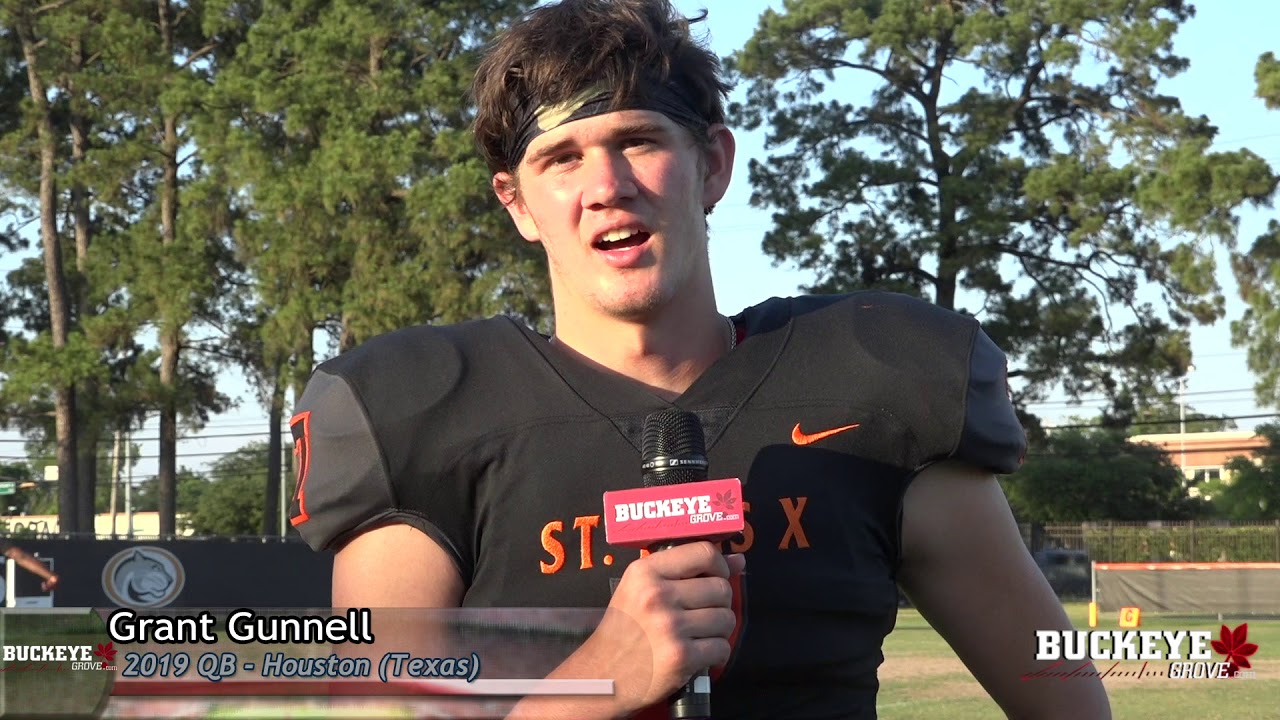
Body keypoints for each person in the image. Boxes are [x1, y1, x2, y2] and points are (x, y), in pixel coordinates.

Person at [289, 0, 1112, 717]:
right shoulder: (424, 416)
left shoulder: (879, 384)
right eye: (561, 158)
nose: (606, 185)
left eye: (638, 139)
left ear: (712, 164)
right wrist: (601, 681)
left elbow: (1069, 706)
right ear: (519, 203)